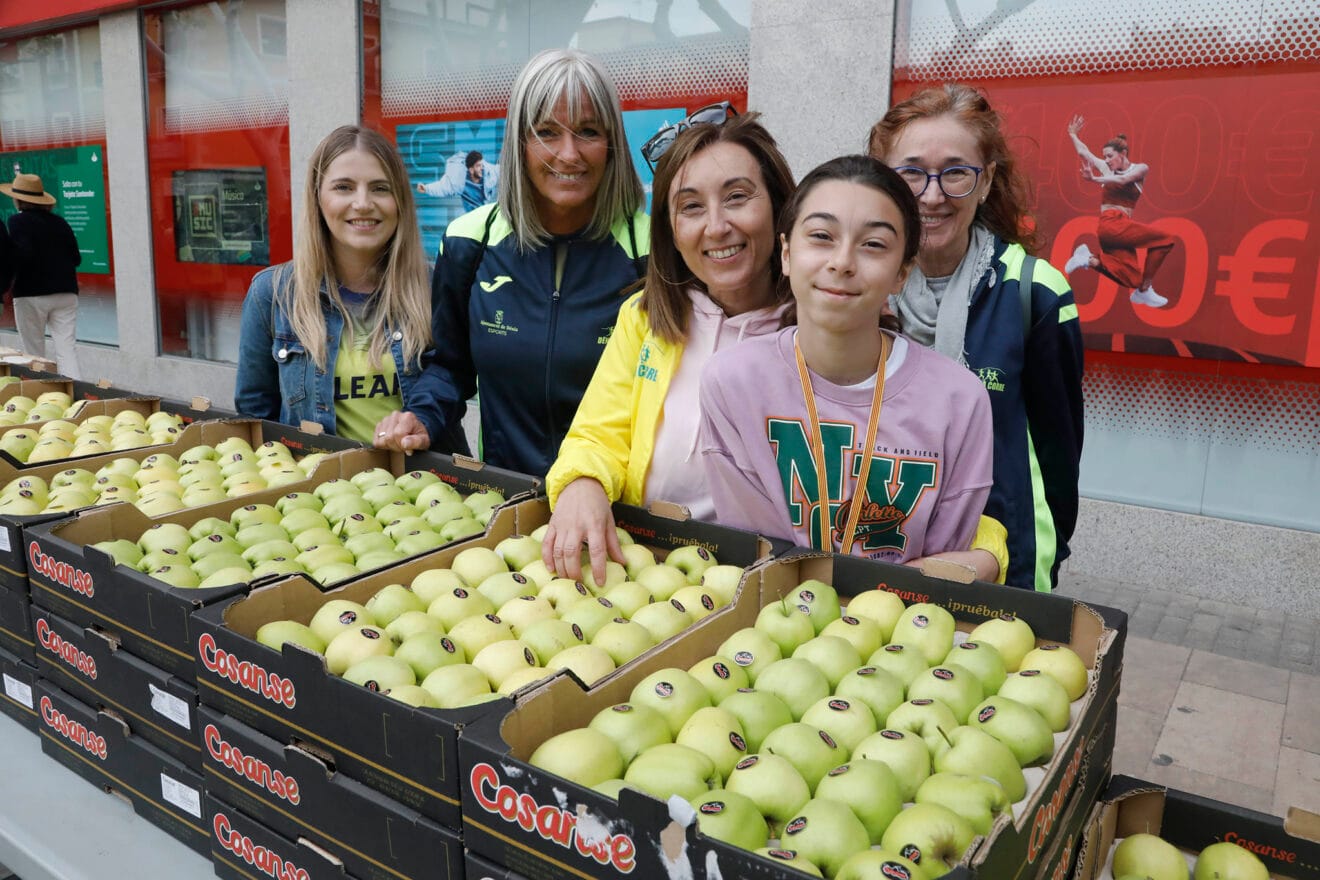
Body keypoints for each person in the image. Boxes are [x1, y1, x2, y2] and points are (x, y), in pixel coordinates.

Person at [699, 155, 994, 565]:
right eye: (821, 236)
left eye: (873, 244)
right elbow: (757, 556)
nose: (842, 262)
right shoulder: (733, 383)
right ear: (786, 253)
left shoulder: (959, 401)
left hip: (903, 607)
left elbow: (943, 569)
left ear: (902, 272)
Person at [541, 110, 795, 583]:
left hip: (763, 579)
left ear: (780, 207)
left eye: (737, 197)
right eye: (691, 207)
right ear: (670, 231)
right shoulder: (645, 318)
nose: (716, 227)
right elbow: (597, 434)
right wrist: (582, 482)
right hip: (643, 567)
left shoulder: (815, 334)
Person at [867, 83, 1084, 591]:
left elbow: (1058, 456)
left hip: (1002, 567)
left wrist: (1041, 555)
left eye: (956, 173)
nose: (932, 195)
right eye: (911, 172)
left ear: (985, 181)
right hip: (882, 550)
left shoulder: (1035, 292)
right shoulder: (860, 287)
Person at [414, 48, 649, 475]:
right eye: (546, 133)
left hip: (618, 504)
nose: (569, 154)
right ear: (519, 144)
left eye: (588, 131)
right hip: (505, 499)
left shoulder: (653, 251)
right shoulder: (468, 242)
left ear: (612, 144)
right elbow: (449, 366)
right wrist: (421, 416)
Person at [235, 125, 462, 451]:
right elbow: (257, 421)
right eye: (343, 187)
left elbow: (454, 382)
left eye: (380, 188)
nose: (363, 203)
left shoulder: (434, 287)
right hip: (320, 482)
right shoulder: (272, 295)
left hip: (423, 480)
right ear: (318, 197)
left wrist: (422, 419)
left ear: (399, 200)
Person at [1064, 116, 1176, 308]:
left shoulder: (1140, 169)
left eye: (1110, 156)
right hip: (1111, 224)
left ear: (1123, 153)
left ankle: (1088, 260)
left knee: (1132, 278)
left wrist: (1095, 179)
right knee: (1165, 239)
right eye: (1105, 157)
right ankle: (1146, 289)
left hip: (1118, 230)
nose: (1106, 161)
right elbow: (1084, 152)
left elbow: (1124, 180)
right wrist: (1073, 135)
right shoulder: (1107, 169)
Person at [2, 173, 81, 378]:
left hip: (31, 293)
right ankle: (77, 390)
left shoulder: (17, 221)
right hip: (66, 292)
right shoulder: (60, 222)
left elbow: (22, 255)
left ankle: (41, 391)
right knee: (67, 349)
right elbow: (76, 258)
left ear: (18, 199)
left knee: (34, 353)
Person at [416, 149, 499, 213]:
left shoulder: (489, 174)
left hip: (485, 212)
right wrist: (426, 188)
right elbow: (443, 187)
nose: (482, 168)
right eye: (478, 166)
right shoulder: (459, 180)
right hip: (472, 215)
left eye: (482, 165)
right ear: (471, 170)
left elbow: (500, 170)